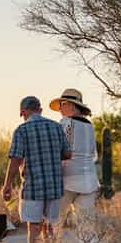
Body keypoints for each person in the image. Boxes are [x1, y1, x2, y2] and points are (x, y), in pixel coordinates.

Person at [2, 96, 71, 243]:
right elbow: (67, 154)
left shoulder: (22, 130)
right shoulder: (56, 127)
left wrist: (7, 185)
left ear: (24, 112)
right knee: (48, 225)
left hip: (33, 187)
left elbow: (15, 159)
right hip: (54, 186)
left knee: (33, 226)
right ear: (40, 110)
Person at [49, 88, 100, 230]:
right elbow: (94, 155)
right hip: (89, 181)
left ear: (71, 105)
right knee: (87, 227)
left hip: (67, 180)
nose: (60, 108)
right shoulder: (90, 126)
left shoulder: (65, 123)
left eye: (62, 104)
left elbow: (59, 151)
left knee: (53, 223)